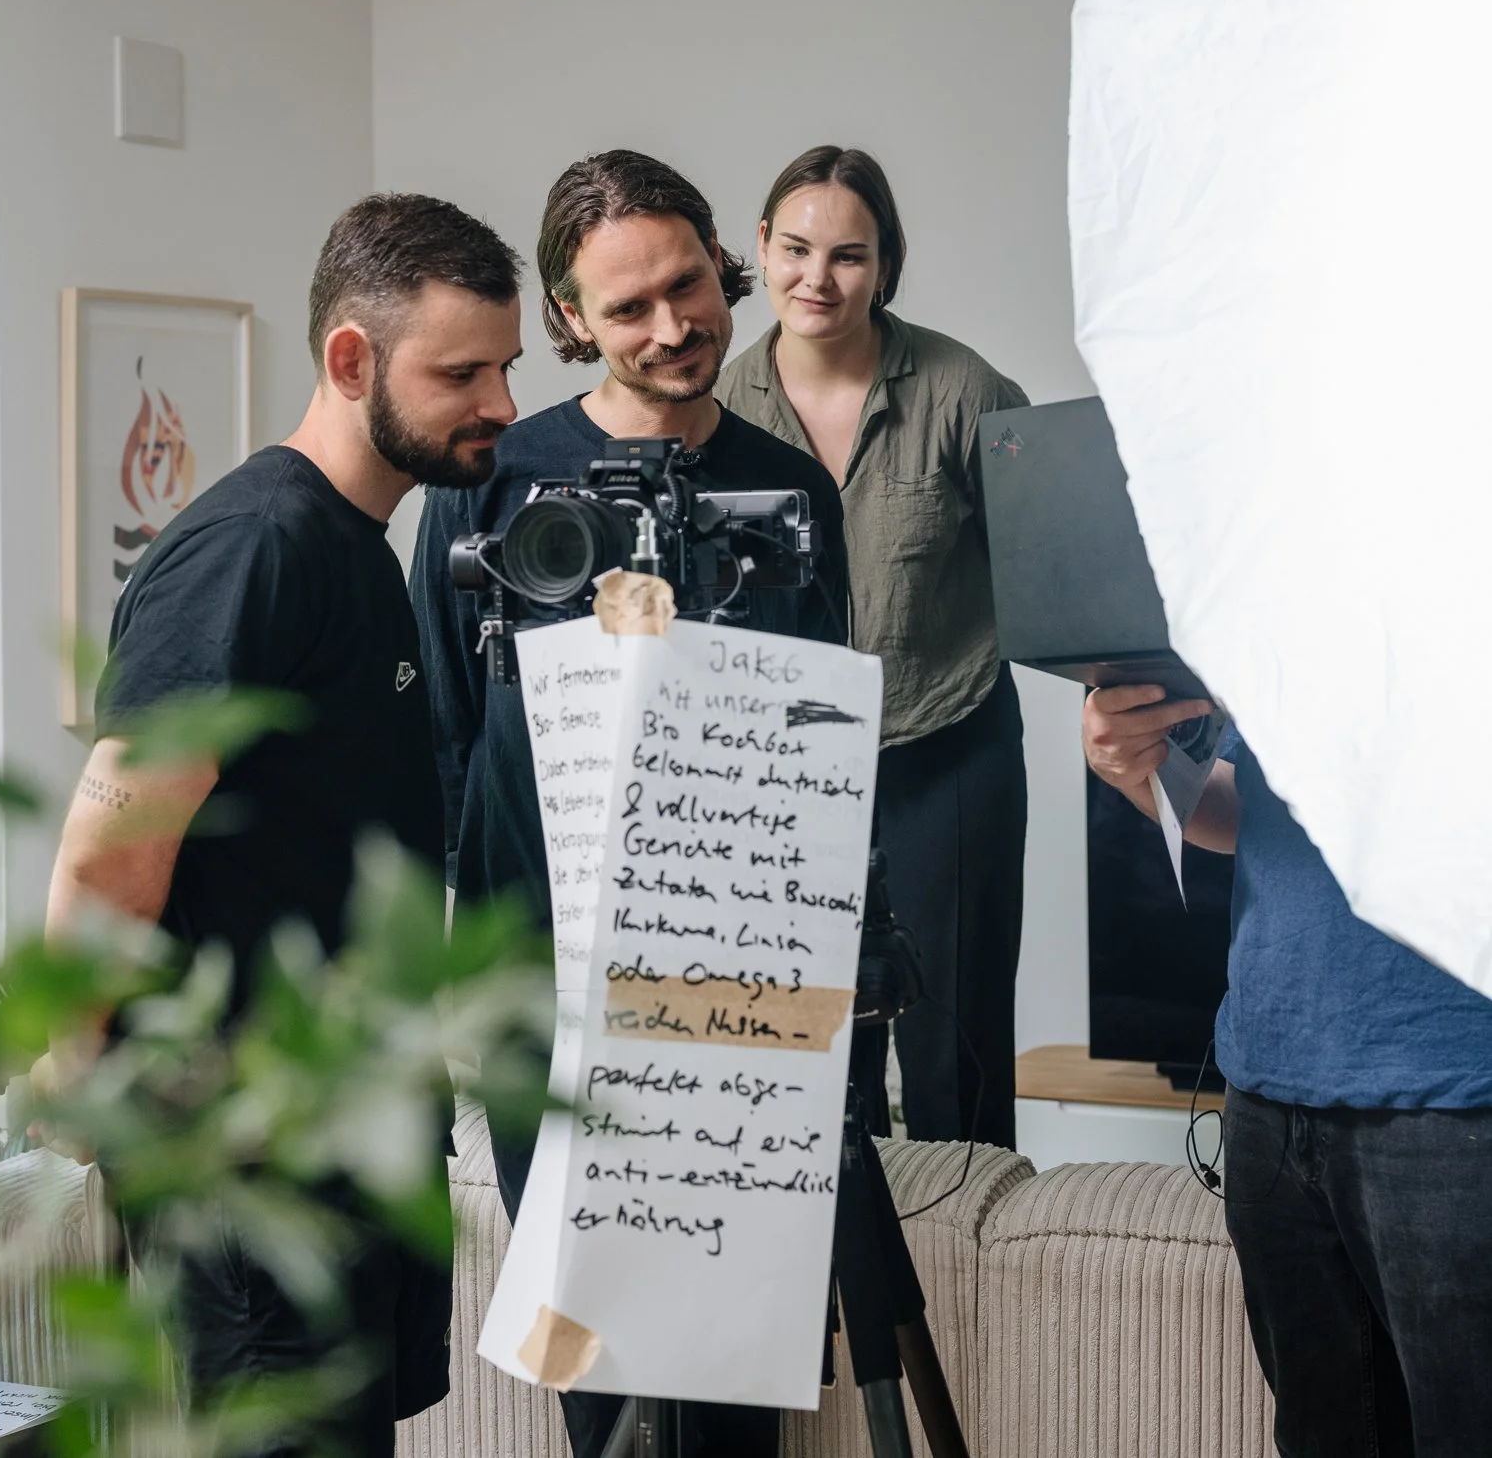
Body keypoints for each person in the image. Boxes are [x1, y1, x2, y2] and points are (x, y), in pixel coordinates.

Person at [40, 192, 524, 1458]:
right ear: (351, 360)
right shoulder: (253, 547)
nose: (501, 405)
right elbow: (111, 845)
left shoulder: (358, 547)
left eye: (506, 367)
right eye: (461, 372)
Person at [410, 149, 849, 1458]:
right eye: (627, 308)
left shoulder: (793, 489)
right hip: (535, 985)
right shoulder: (492, 478)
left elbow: (826, 738)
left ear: (721, 261)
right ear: (567, 323)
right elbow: (440, 734)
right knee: (593, 1357)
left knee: (742, 1367)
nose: (672, 328)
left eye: (686, 287)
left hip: (742, 990)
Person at [1083, 684, 1492, 1458]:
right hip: (1268, 1085)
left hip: (1456, 1091)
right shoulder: (1289, 579)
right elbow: (1251, 810)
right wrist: (1142, 768)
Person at [715, 145, 1028, 1147]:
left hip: (950, 747)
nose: (818, 278)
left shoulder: (965, 390)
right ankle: (831, 1301)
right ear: (761, 247)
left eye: (848, 256)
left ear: (885, 264)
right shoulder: (714, 412)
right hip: (788, 770)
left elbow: (1050, 566)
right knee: (806, 1052)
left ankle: (974, 1287)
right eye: (797, 249)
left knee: (955, 1047)